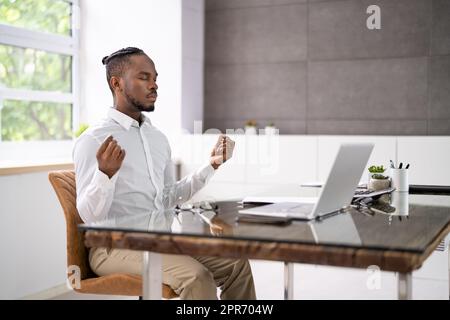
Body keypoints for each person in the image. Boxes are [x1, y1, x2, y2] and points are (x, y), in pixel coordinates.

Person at [73, 47, 255, 300]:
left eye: (155, 78)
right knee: (196, 277)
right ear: (116, 83)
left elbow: (169, 197)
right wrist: (104, 174)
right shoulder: (93, 140)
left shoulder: (157, 138)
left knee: (236, 265)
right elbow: (88, 215)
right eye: (144, 77)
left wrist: (211, 165)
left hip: (161, 240)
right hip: (114, 248)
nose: (154, 85)